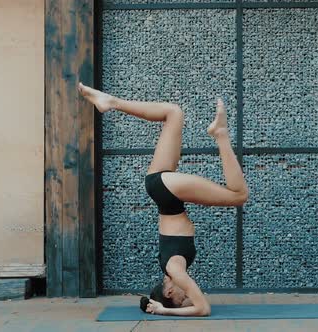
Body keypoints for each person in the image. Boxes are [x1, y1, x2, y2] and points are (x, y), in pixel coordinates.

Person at [78, 82, 249, 316]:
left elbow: (203, 309)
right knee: (173, 113)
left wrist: (164, 311)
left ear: (169, 292)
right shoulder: (171, 268)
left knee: (239, 195)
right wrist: (160, 305)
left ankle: (220, 136)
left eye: (181, 299)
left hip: (167, 191)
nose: (187, 296)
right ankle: (111, 102)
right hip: (158, 185)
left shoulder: (175, 271)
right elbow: (192, 302)